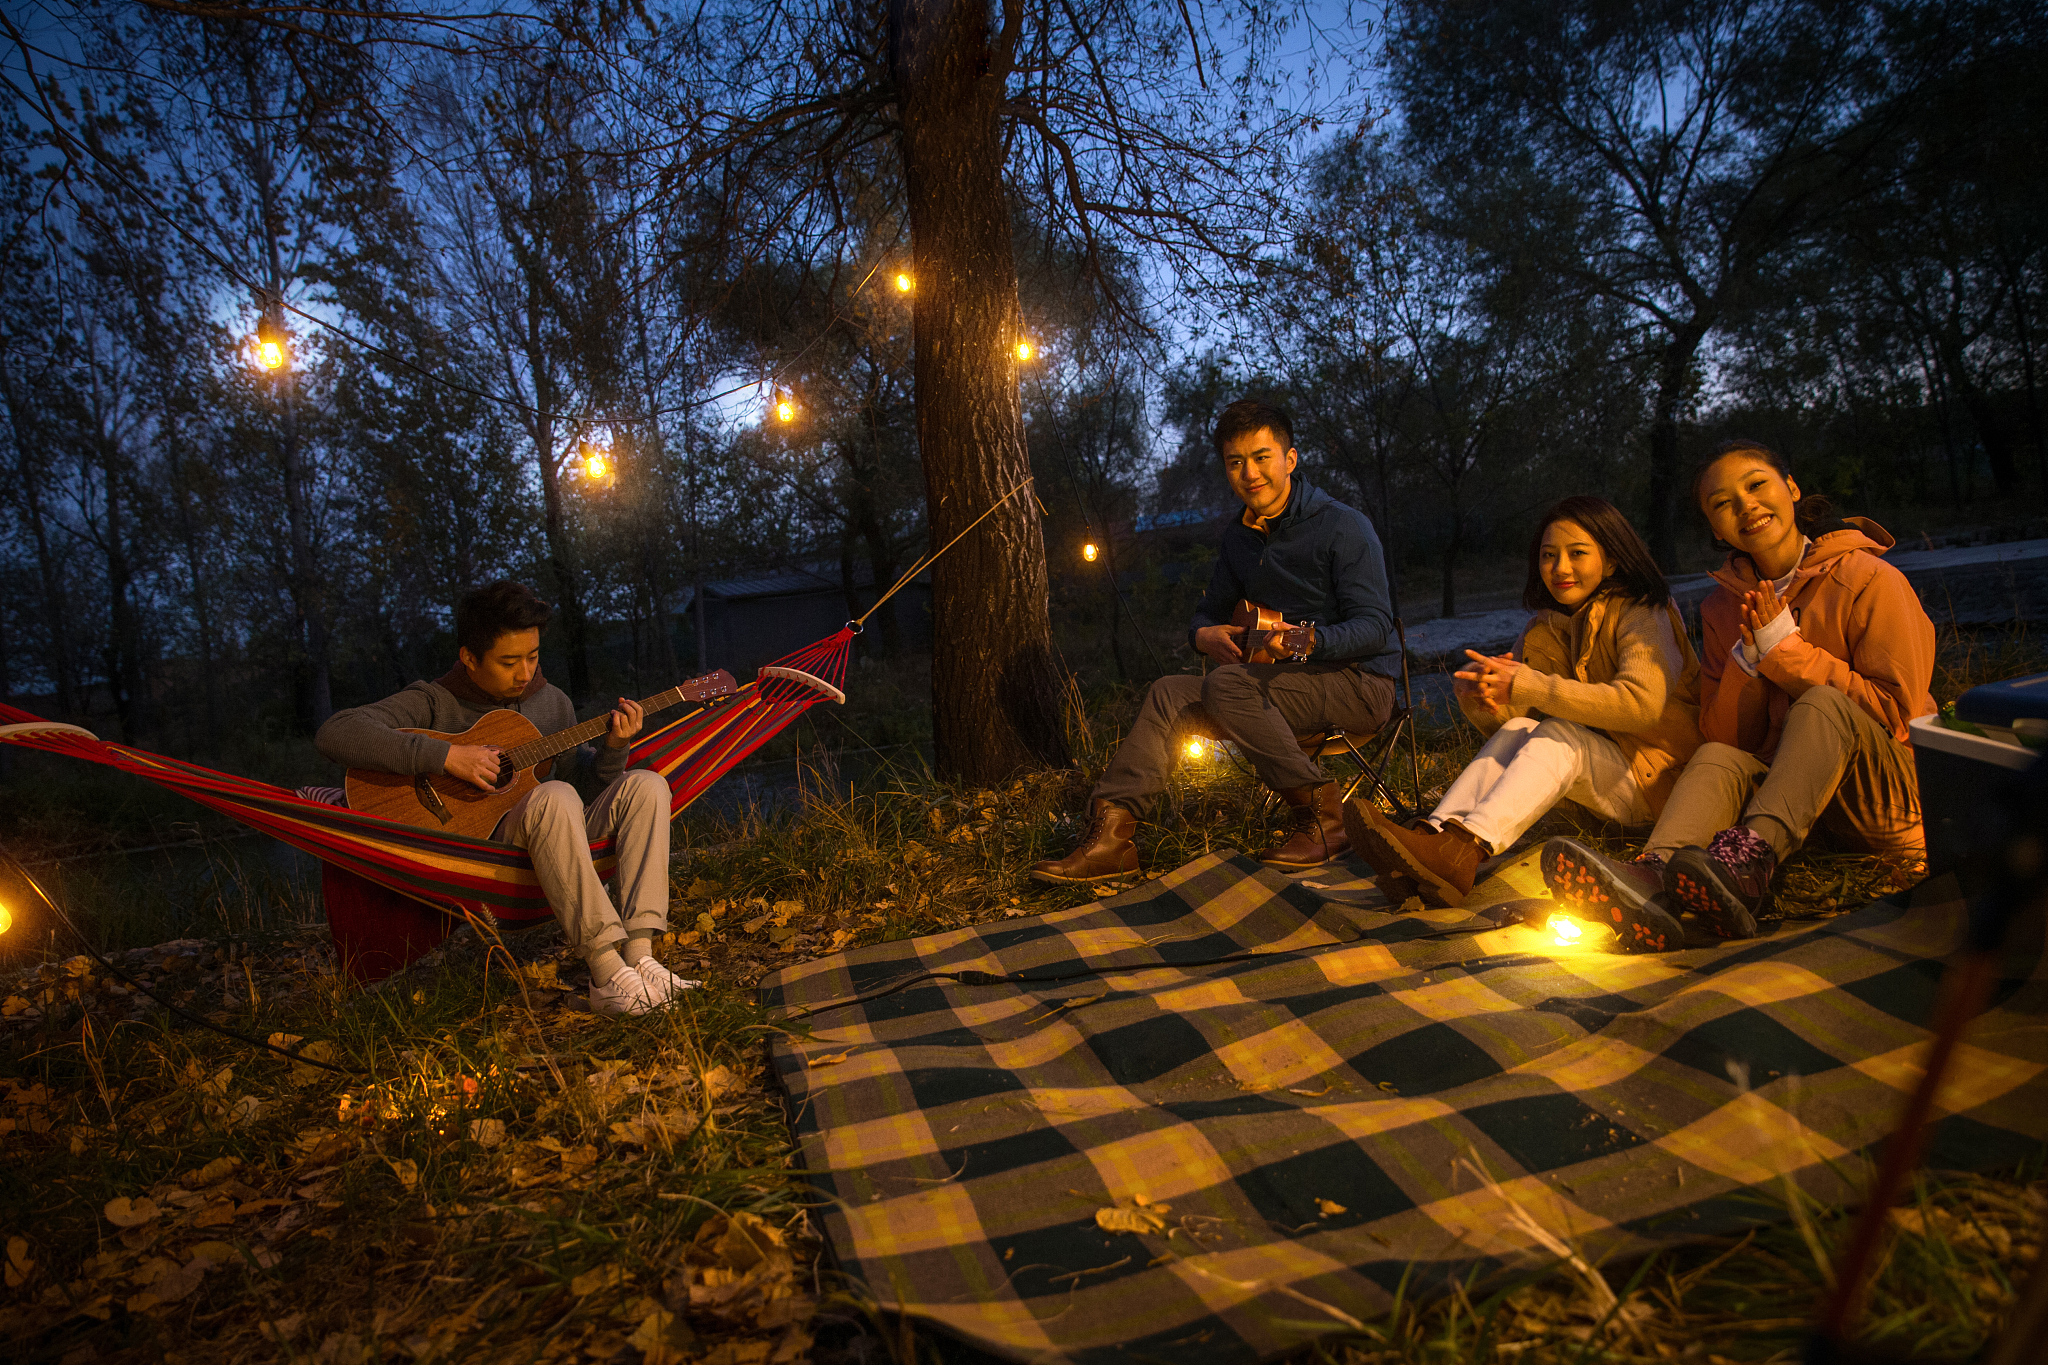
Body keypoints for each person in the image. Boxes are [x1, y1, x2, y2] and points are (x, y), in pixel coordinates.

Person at [1542, 441, 1936, 951]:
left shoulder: (1870, 580)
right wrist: (1746, 668)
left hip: (1885, 799)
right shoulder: (1723, 607)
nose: (1745, 505)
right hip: (1801, 813)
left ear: (1791, 489)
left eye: (1756, 485)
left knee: (1820, 703)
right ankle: (1652, 881)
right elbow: (1727, 736)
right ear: (1714, 527)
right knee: (1717, 756)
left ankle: (1748, 863)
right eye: (1722, 503)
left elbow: (1897, 715)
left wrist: (1786, 655)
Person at [1031, 399, 1402, 882]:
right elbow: (1208, 610)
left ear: (1290, 459)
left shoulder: (1342, 525)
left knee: (1228, 686)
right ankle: (1111, 840)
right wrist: (1201, 634)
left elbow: (1376, 625)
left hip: (1359, 683)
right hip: (1277, 687)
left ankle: (1326, 819)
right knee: (1169, 691)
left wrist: (1308, 641)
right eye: (1235, 462)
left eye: (1262, 457)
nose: (1250, 473)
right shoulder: (1240, 537)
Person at [316, 581, 691, 1015]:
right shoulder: (434, 702)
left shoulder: (551, 703)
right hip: (481, 854)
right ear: (469, 659)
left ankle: (641, 957)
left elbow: (583, 788)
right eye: (509, 661)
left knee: (647, 784)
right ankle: (606, 972)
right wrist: (447, 756)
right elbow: (337, 732)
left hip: (554, 840)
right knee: (553, 795)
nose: (525, 673)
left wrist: (614, 749)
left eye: (532, 656)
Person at [1345, 496, 1702, 906]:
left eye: (1577, 553)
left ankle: (1461, 852)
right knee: (1521, 728)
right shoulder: (1545, 627)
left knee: (1559, 735)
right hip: (1596, 782)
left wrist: (1529, 685)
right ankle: (1434, 843)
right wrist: (1483, 700)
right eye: (1549, 556)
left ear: (1613, 559)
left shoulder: (1643, 612)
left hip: (1659, 785)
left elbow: (1641, 705)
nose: (1560, 568)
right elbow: (1518, 731)